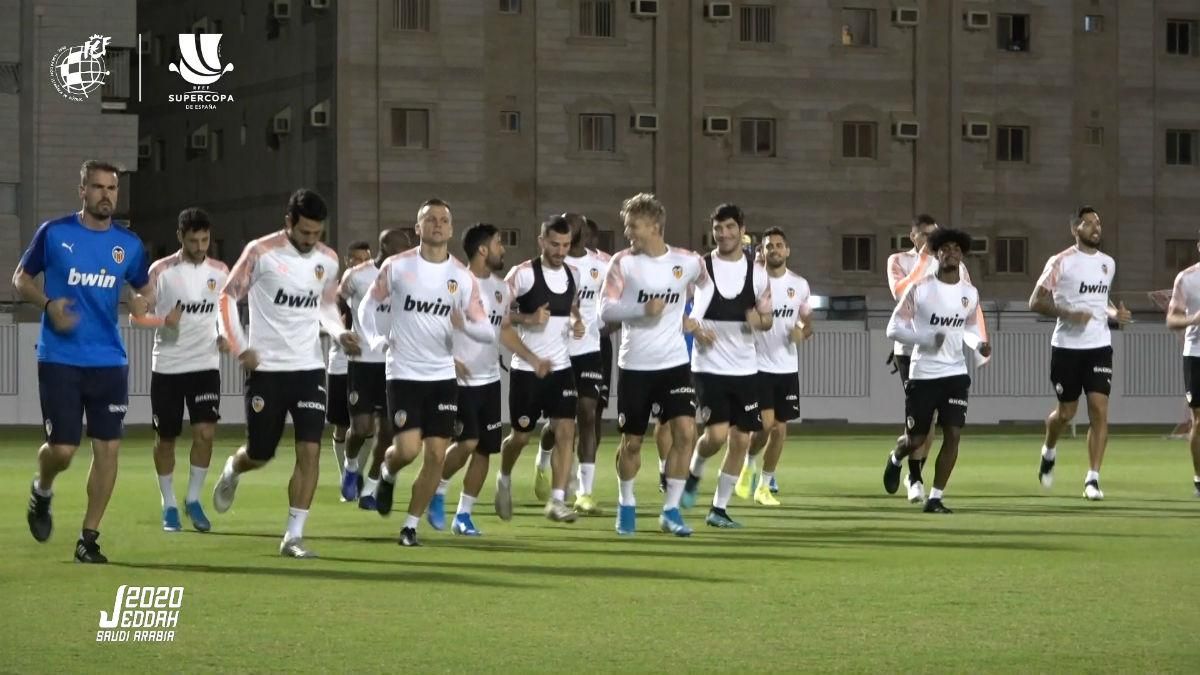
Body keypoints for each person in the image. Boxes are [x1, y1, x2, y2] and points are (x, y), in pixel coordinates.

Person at [16, 159, 152, 563]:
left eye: (112, 188)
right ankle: (42, 490)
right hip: (60, 357)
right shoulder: (55, 233)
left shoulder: (129, 245)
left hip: (109, 360)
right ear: (82, 191)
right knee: (62, 451)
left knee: (108, 448)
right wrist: (47, 304)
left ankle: (88, 539)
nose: (106, 195)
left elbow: (145, 288)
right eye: (98, 187)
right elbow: (20, 279)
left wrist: (144, 300)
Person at [212, 188, 360, 558]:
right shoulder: (260, 253)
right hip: (268, 371)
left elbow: (325, 304)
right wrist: (240, 344)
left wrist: (339, 333)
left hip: (309, 368)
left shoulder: (326, 260)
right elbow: (227, 296)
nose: (311, 240)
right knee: (261, 453)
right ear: (288, 223)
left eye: (318, 233)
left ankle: (292, 536)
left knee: (310, 450)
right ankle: (233, 468)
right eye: (305, 232)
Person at [357, 198, 494, 547]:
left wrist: (465, 325)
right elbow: (367, 305)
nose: (437, 224)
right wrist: (375, 338)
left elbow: (487, 331)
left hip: (442, 376)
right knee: (406, 450)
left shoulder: (461, 277)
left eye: (443, 220)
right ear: (417, 228)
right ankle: (387, 473)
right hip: (403, 372)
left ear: (450, 228)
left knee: (436, 453)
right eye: (429, 219)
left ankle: (410, 525)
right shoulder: (397, 266)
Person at [599, 192, 713, 536]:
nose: (628, 232)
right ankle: (626, 503)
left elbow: (706, 287)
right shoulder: (622, 263)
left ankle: (671, 511)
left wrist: (694, 317)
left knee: (685, 432)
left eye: (633, 225)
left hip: (674, 363)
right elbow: (605, 310)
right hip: (635, 364)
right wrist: (641, 310)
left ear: (655, 226)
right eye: (627, 225)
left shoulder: (688, 261)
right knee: (632, 442)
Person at [430, 223, 550, 535]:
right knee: (467, 441)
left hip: (489, 380)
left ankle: (463, 515)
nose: (502, 248)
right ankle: (437, 490)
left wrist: (533, 358)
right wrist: (449, 360)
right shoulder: (454, 283)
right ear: (483, 249)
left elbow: (504, 330)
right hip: (458, 380)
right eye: (499, 243)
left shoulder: (500, 289)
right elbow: (431, 323)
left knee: (484, 449)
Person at [131, 207, 229, 533]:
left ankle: (193, 499)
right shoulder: (160, 271)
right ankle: (169, 502)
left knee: (205, 433)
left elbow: (224, 313)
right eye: (193, 240)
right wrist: (163, 320)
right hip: (169, 368)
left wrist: (226, 336)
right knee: (167, 440)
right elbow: (136, 316)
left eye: (205, 240)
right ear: (180, 238)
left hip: (205, 365)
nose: (200, 246)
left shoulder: (220, 270)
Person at [883, 228, 990, 513]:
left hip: (955, 373)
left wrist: (978, 344)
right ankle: (895, 458)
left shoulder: (969, 293)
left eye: (957, 248)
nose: (951, 252)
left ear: (962, 255)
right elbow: (893, 329)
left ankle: (935, 497)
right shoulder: (920, 290)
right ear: (937, 254)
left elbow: (967, 327)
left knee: (953, 434)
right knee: (916, 438)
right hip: (923, 373)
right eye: (945, 248)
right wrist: (926, 339)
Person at [1028, 206, 1131, 500]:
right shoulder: (1060, 262)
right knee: (1066, 413)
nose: (1096, 227)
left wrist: (1115, 313)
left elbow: (1100, 301)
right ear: (1075, 229)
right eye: (1088, 223)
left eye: (1098, 222)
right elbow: (1035, 301)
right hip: (1067, 349)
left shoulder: (1108, 264)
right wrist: (1068, 313)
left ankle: (1092, 479)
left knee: (1099, 409)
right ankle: (1049, 449)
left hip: (1099, 347)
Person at [680, 204, 772, 529]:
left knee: (742, 439)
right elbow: (677, 307)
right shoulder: (700, 267)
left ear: (742, 229)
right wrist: (691, 325)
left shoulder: (757, 272)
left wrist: (757, 320)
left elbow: (768, 318)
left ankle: (718, 510)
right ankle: (694, 470)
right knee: (716, 436)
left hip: (746, 368)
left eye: (730, 227)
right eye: (719, 228)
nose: (725, 234)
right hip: (708, 366)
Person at [494, 215, 586, 523]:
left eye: (566, 245)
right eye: (554, 244)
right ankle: (504, 479)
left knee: (566, 431)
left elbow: (571, 307)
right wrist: (528, 319)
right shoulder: (521, 275)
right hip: (527, 370)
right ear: (541, 241)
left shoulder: (574, 274)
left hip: (561, 368)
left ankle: (557, 501)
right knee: (520, 437)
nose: (560, 251)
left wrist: (576, 322)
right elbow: (498, 315)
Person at [533, 213, 611, 515]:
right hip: (558, 350)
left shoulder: (602, 264)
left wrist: (604, 326)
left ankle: (585, 492)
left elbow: (612, 303)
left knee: (589, 414)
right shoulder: (553, 265)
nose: (573, 229)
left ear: (587, 232)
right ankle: (543, 457)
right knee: (558, 423)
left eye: (577, 224)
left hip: (590, 349)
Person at [737, 227, 813, 506]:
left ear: (787, 250)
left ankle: (764, 487)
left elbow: (808, 323)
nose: (775, 250)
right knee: (766, 426)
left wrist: (802, 332)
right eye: (769, 246)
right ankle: (748, 462)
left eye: (779, 245)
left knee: (780, 430)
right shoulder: (753, 283)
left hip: (787, 367)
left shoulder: (800, 285)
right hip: (757, 365)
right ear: (764, 251)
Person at [337, 230, 409, 508]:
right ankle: (351, 464)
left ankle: (370, 487)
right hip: (363, 361)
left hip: (393, 365)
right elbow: (334, 301)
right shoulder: (358, 275)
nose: (408, 253)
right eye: (403, 248)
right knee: (361, 427)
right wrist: (342, 333)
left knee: (388, 432)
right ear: (386, 247)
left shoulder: (407, 275)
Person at [885, 215, 940, 503]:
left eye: (935, 235)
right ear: (913, 236)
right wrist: (923, 259)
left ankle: (900, 460)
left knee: (929, 420)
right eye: (926, 235)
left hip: (941, 352)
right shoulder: (899, 261)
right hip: (908, 351)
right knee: (922, 419)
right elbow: (900, 292)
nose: (932, 240)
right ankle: (915, 477)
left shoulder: (948, 260)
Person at [327, 240, 372, 494]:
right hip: (341, 365)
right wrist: (340, 333)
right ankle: (345, 474)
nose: (360, 264)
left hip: (367, 365)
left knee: (369, 427)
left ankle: (355, 475)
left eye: (365, 259)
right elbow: (325, 319)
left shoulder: (375, 288)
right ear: (347, 261)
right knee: (342, 424)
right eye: (355, 259)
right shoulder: (339, 292)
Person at [1164, 242, 1200, 496]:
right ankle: (1199, 478)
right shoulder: (1187, 278)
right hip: (1196, 354)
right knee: (1199, 419)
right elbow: (1171, 318)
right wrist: (1193, 319)